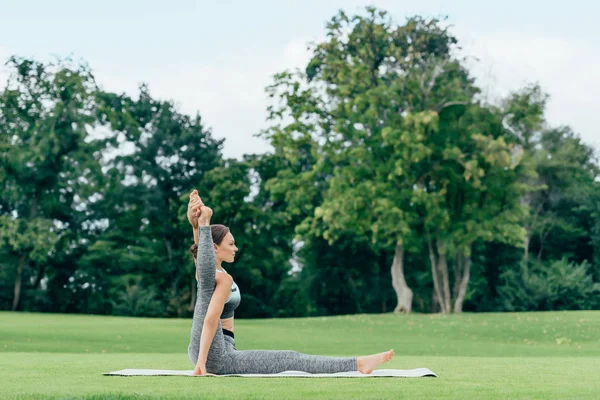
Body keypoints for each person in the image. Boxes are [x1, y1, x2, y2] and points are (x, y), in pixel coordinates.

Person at [186, 189, 395, 376]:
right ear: (215, 247)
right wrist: (202, 364)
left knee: (288, 358)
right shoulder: (222, 278)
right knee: (290, 359)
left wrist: (196, 224)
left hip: (219, 349)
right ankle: (357, 364)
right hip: (217, 356)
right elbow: (210, 319)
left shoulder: (213, 274)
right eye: (231, 243)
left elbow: (202, 258)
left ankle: (357, 363)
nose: (236, 248)